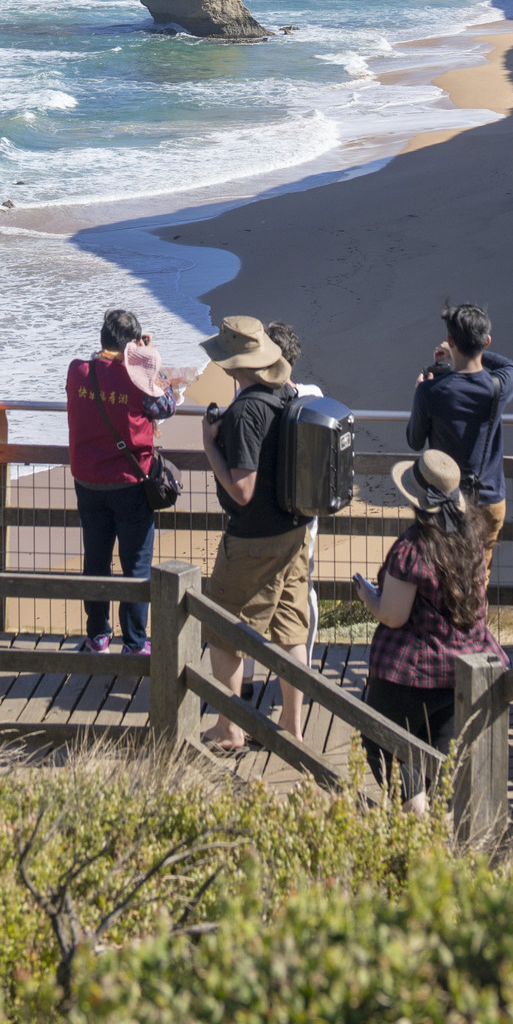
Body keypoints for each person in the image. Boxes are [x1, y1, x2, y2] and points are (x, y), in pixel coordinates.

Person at [354, 445, 506, 811]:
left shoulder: (413, 547)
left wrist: (366, 594)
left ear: (418, 500)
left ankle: (414, 824)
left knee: (383, 743)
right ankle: (437, 836)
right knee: (442, 757)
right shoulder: (472, 539)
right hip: (463, 668)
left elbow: (393, 615)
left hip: (411, 671)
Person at [198, 315, 309, 757]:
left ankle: (230, 729)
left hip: (254, 540)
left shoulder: (247, 410)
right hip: (294, 531)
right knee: (289, 630)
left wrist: (210, 446)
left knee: (223, 629)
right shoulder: (285, 394)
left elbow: (242, 491)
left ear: (233, 363)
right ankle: (292, 729)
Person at [65, 307, 182, 656]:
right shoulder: (136, 377)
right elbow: (167, 405)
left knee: (96, 560)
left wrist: (136, 358)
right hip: (130, 482)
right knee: (136, 564)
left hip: (87, 480)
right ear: (133, 345)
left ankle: (98, 635)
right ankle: (134, 642)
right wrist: (149, 362)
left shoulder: (77, 371)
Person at [406, 303, 513, 571]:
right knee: (479, 578)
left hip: (445, 501)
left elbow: (414, 441)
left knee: (445, 577)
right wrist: (477, 352)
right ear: (487, 341)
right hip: (489, 499)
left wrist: (418, 394)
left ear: (450, 340)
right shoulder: (497, 387)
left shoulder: (431, 392)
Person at [266, 320, 322, 666]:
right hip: (304, 511)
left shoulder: (252, 400)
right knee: (303, 589)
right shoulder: (313, 396)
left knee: (257, 593)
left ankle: (248, 678)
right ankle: (307, 664)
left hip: (263, 512)